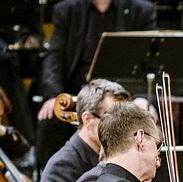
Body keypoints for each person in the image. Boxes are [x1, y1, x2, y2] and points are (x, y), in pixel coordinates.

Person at [36, 0, 155, 169]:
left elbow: (149, 61)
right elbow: (55, 56)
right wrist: (54, 95)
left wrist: (143, 97)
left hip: (122, 96)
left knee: (145, 124)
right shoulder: (67, 10)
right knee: (50, 122)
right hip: (79, 93)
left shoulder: (141, 10)